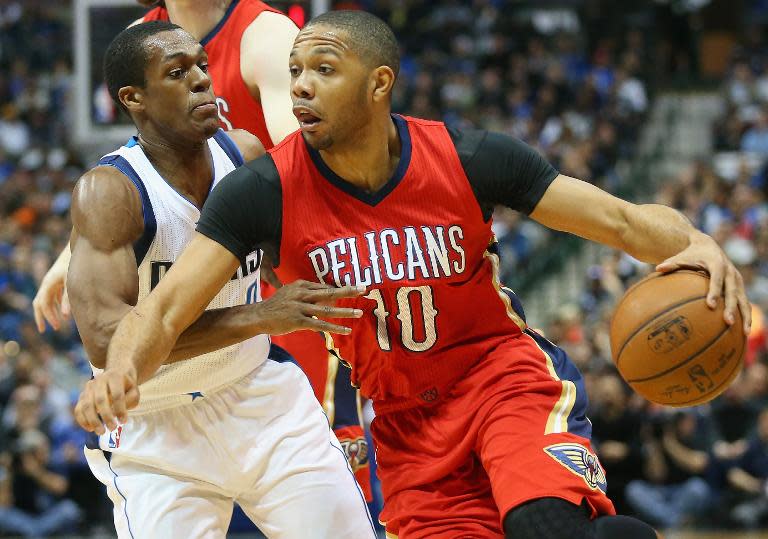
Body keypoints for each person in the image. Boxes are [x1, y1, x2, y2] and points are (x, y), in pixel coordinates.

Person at [79, 11, 752, 539]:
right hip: (403, 422)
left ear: (378, 84)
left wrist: (697, 241)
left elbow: (623, 222)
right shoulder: (263, 191)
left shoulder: (467, 155)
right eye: (294, 71)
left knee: (541, 524)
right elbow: (164, 310)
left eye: (324, 68)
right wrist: (119, 372)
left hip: (499, 379)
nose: (302, 85)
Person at [32, 0, 372, 497]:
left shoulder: (266, 35)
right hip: (177, 311)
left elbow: (300, 163)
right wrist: (72, 255)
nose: (199, 80)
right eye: (178, 72)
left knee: (334, 458)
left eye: (202, 68)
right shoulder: (138, 36)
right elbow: (130, 176)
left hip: (264, 241)